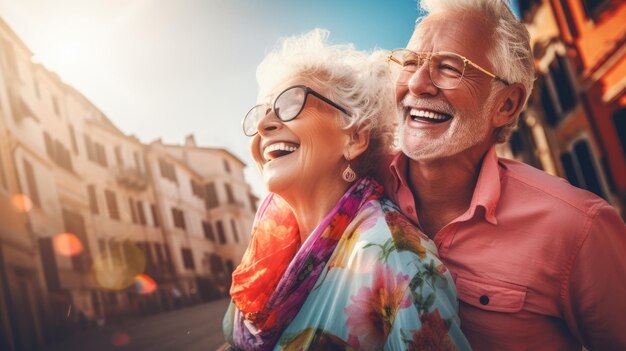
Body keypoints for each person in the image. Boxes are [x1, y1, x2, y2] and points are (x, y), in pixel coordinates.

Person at [381, 0, 626, 350]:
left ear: (507, 104)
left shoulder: (578, 229)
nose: (418, 84)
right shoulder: (359, 185)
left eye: (450, 68)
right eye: (409, 63)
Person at [222, 29, 470, 350]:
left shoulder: (395, 257)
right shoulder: (267, 252)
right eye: (264, 110)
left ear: (354, 139)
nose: (263, 124)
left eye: (292, 102)